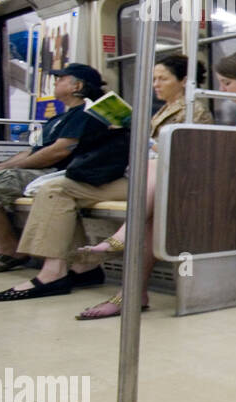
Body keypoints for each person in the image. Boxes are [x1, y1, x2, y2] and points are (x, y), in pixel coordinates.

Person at [71, 54, 214, 320]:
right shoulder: (162, 110)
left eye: (163, 78)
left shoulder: (194, 109)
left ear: (183, 81)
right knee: (150, 219)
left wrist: (150, 145)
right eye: (153, 79)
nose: (156, 85)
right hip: (158, 180)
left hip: (182, 179)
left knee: (151, 188)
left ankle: (122, 248)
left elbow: (189, 152)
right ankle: (132, 293)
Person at [0, 65, 133, 302]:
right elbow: (35, 150)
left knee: (55, 190)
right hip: (90, 176)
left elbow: (58, 151)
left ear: (77, 86)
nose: (55, 83)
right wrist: (3, 165)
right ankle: (82, 267)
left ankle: (50, 270)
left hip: (95, 174)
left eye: (61, 79)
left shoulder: (86, 114)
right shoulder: (58, 118)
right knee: (58, 191)